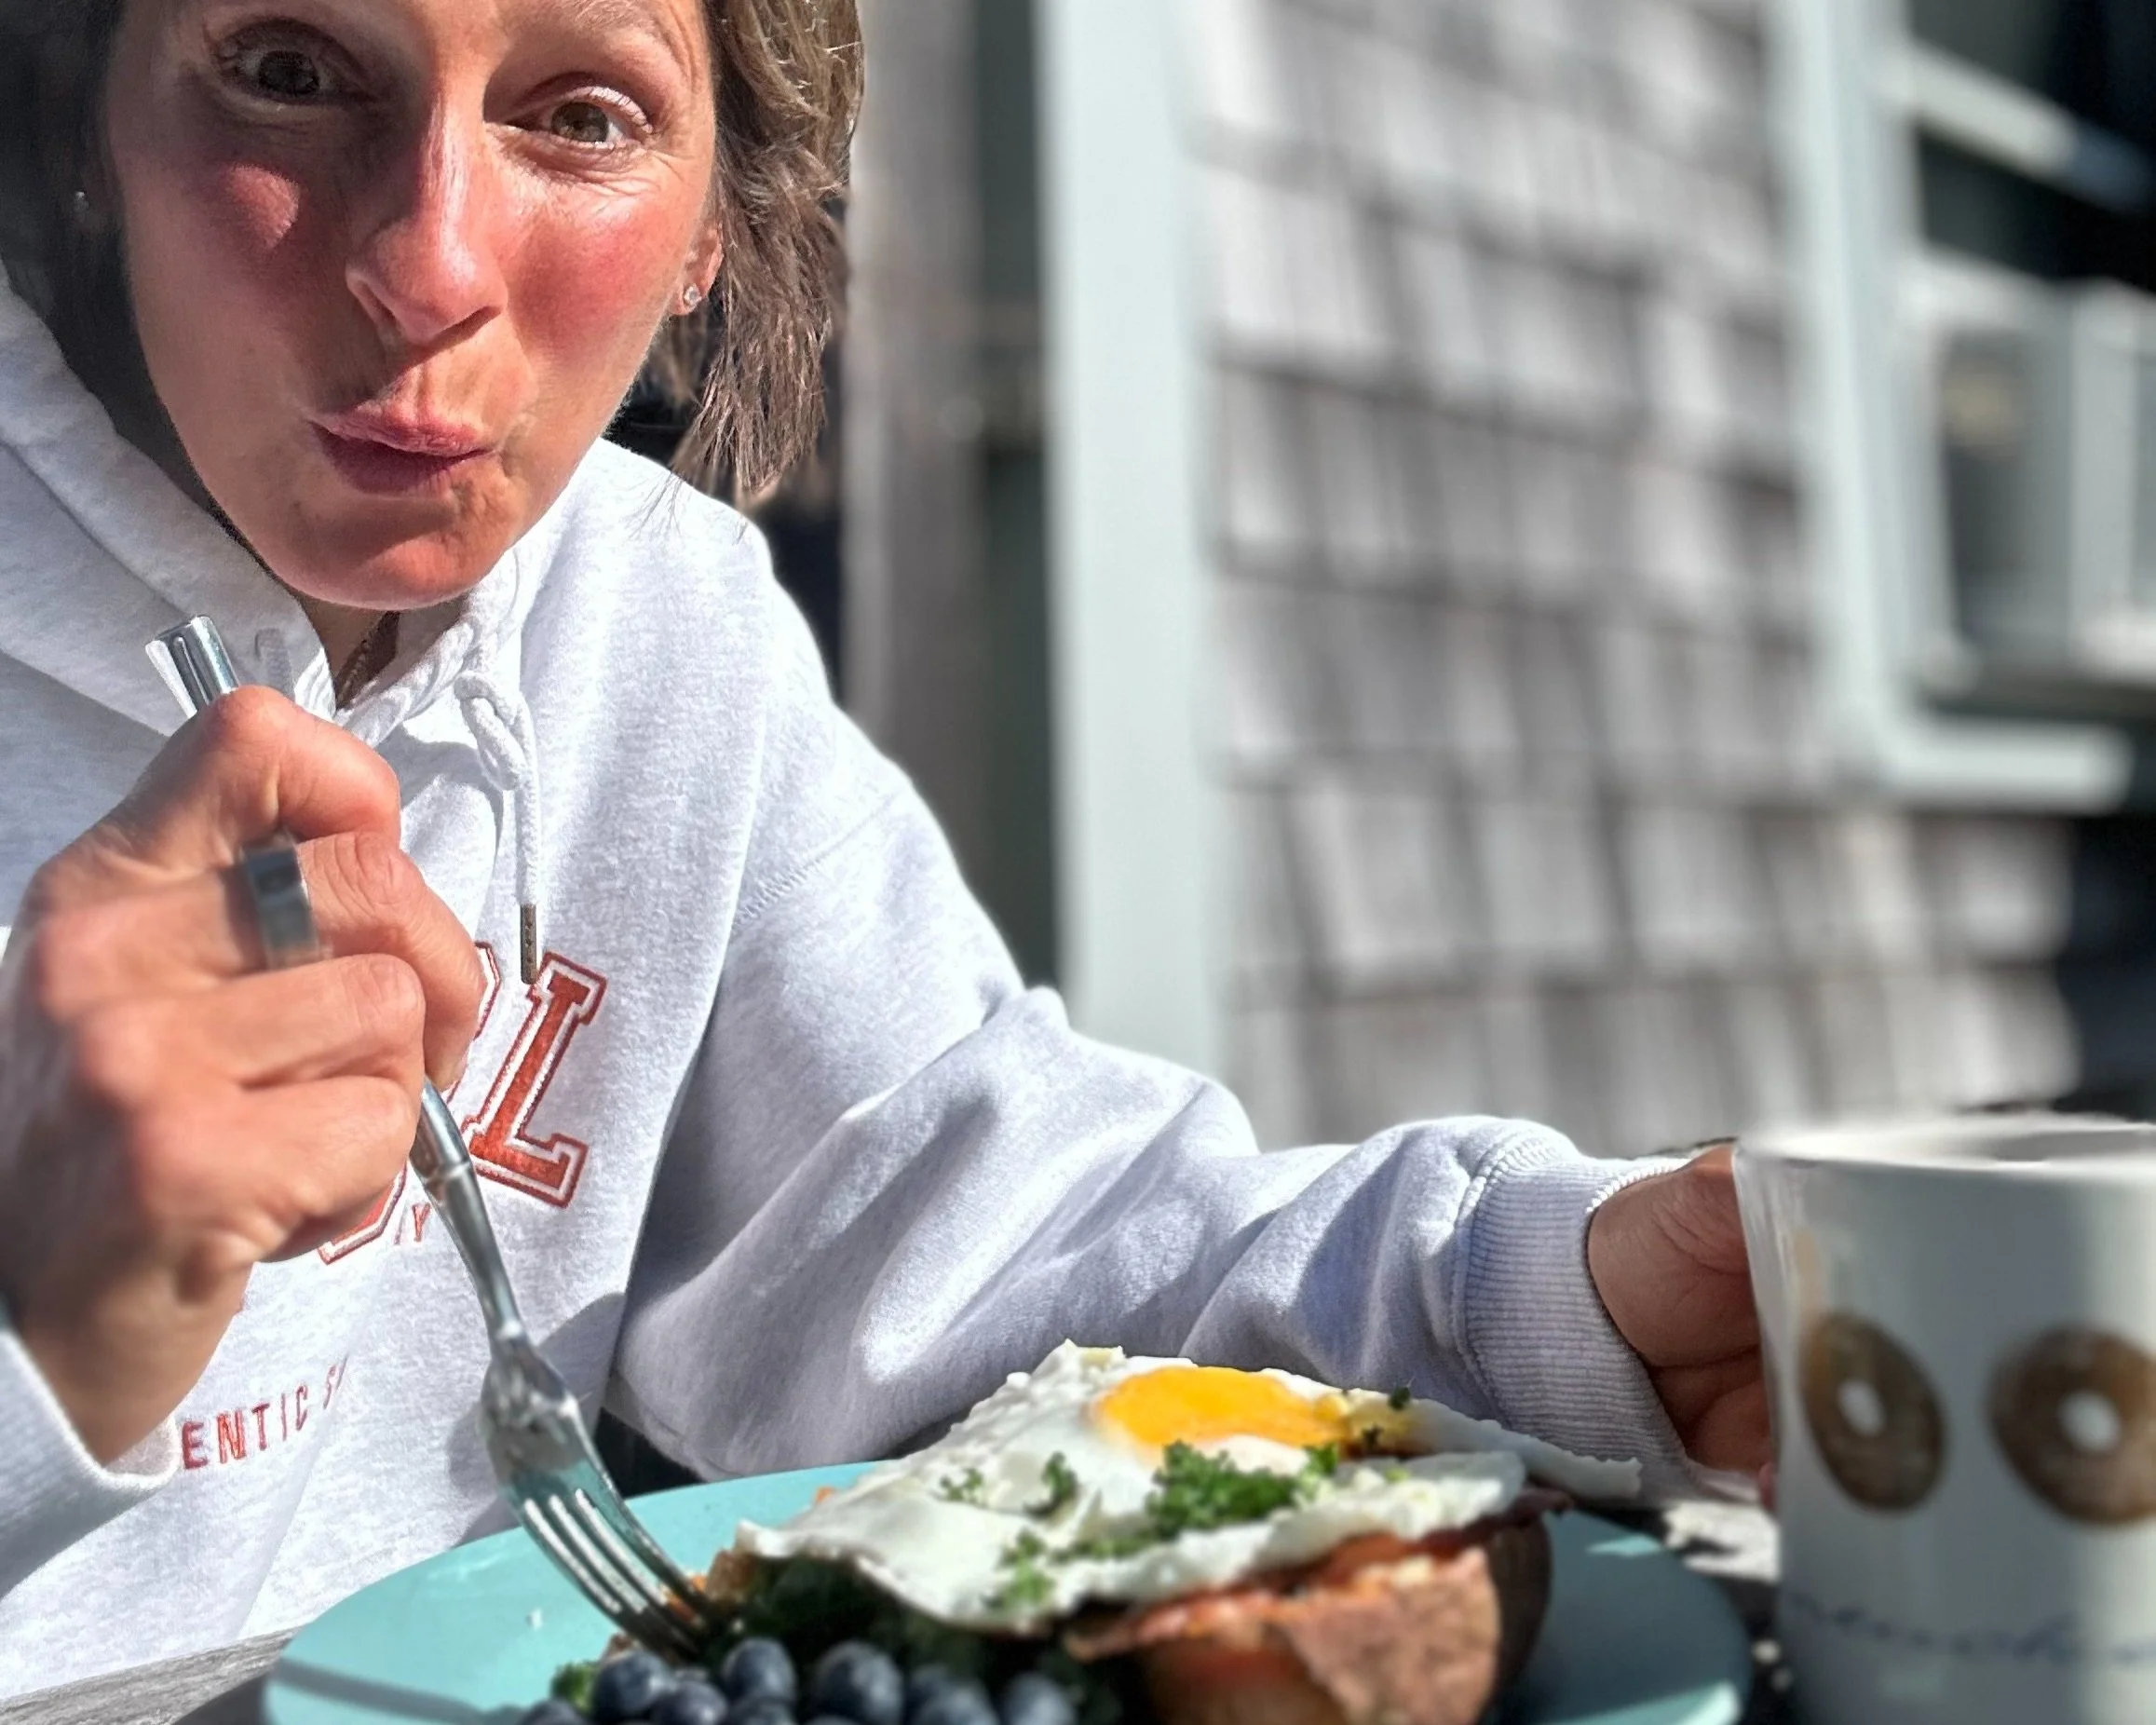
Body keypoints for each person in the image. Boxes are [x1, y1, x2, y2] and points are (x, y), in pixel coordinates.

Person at [0, 0, 1766, 1695]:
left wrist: (1569, 1301)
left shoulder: (659, 631)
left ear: (715, 223)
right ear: (92, 105)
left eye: (582, 115)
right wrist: (37, 1340)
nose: (431, 266)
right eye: (291, 71)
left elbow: (982, 1255)